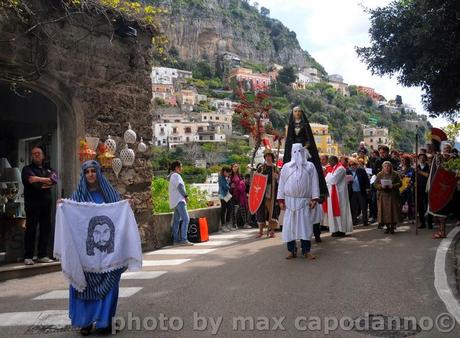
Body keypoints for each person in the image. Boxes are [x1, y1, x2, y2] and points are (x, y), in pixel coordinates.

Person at [66, 160, 128, 335]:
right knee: (83, 285)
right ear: (83, 175)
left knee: (111, 283)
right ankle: (85, 322)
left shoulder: (110, 195)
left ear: (99, 173)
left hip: (108, 253)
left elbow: (119, 213)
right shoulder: (77, 198)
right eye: (87, 172)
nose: (91, 174)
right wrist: (62, 206)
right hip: (86, 253)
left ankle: (104, 322)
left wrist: (126, 205)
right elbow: (72, 218)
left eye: (94, 171)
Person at [277, 144, 320, 259]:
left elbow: (315, 183)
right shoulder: (286, 167)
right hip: (290, 202)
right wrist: (281, 200)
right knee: (289, 227)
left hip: (304, 202)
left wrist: (314, 198)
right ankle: (292, 250)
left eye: (299, 151)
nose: (297, 154)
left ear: (303, 152)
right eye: (294, 152)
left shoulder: (310, 166)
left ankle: (306, 250)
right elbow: (281, 184)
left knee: (305, 226)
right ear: (291, 153)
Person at [21, 145, 57, 265]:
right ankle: (28, 256)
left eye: (38, 153)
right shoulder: (26, 169)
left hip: (46, 204)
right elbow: (31, 181)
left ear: (43, 155)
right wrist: (45, 181)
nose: (36, 155)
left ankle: (42, 255)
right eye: (34, 153)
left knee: (45, 229)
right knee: (31, 229)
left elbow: (54, 180)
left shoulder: (49, 169)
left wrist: (38, 179)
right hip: (32, 204)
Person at [283, 106, 328, 199]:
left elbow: (309, 139)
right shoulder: (291, 125)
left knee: (310, 164)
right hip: (293, 149)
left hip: (304, 148)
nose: (297, 113)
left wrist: (304, 147)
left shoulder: (305, 125)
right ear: (293, 113)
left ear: (301, 112)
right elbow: (289, 140)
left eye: (299, 111)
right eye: (295, 111)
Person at [324, 155, 353, 237]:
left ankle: (342, 230)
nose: (329, 163)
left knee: (341, 211)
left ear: (334, 161)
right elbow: (327, 179)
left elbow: (333, 180)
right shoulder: (334, 168)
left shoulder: (341, 169)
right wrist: (329, 176)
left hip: (339, 194)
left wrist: (328, 175)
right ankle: (335, 229)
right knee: (332, 212)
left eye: (330, 161)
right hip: (333, 193)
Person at [255, 149, 280, 238]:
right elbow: (256, 180)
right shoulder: (261, 167)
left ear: (272, 158)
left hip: (272, 192)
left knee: (272, 211)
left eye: (270, 156)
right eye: (267, 156)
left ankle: (272, 231)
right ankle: (261, 231)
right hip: (262, 192)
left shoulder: (275, 167)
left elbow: (281, 180)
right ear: (265, 157)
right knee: (261, 211)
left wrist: (277, 177)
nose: (268, 158)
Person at [168, 161, 193, 246]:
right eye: (181, 166)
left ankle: (176, 240)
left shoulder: (172, 176)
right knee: (186, 219)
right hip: (179, 200)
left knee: (176, 221)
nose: (182, 168)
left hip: (175, 201)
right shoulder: (176, 175)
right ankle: (184, 239)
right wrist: (186, 196)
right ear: (176, 167)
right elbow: (180, 186)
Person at [375, 161, 402, 234]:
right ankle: (387, 227)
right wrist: (381, 186)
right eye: (385, 166)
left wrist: (393, 185)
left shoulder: (395, 174)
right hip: (383, 196)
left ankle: (392, 227)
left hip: (392, 195)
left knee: (392, 212)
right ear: (382, 167)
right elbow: (375, 184)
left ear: (391, 167)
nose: (387, 168)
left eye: (388, 166)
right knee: (384, 212)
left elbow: (400, 183)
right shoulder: (379, 174)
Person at [348, 158, 370, 226]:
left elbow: (366, 180)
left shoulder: (361, 170)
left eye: (354, 164)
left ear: (356, 164)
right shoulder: (347, 171)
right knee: (353, 207)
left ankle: (365, 221)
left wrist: (367, 188)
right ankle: (354, 221)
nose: (352, 166)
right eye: (350, 165)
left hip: (361, 191)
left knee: (363, 207)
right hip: (353, 192)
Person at [416, 153, 431, 229]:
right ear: (418, 159)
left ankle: (430, 223)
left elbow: (429, 175)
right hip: (419, 189)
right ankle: (422, 223)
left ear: (426, 159)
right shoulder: (416, 167)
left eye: (423, 157)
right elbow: (412, 178)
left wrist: (420, 172)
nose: (422, 159)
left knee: (428, 205)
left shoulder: (429, 167)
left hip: (427, 188)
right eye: (420, 157)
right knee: (420, 206)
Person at [218, 166, 233, 232]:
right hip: (222, 195)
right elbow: (225, 186)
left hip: (226, 194)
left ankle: (227, 224)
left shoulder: (225, 177)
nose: (229, 174)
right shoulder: (221, 177)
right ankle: (223, 225)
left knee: (229, 208)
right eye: (228, 173)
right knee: (224, 209)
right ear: (224, 172)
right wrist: (230, 186)